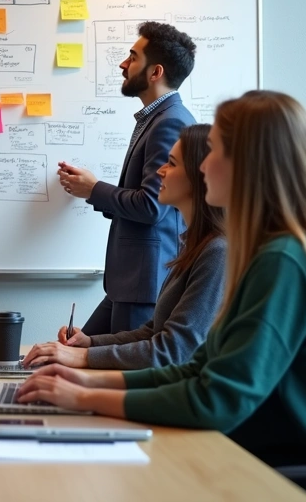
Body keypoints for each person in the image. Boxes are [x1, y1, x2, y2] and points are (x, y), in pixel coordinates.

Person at [17, 91, 306, 502]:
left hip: (299, 481)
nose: (204, 165)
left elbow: (215, 400)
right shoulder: (276, 253)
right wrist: (83, 382)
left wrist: (85, 397)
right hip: (264, 456)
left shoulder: (286, 261)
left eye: (214, 151)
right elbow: (196, 368)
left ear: (249, 167)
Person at [23, 124, 225, 370]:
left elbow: (173, 351)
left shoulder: (217, 253)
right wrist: (89, 343)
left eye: (171, 163)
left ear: (199, 174)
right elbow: (153, 332)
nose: (160, 171)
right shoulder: (192, 245)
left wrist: (81, 357)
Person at [58, 22, 197, 336]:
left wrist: (93, 189)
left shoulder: (169, 123)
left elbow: (152, 205)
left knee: (117, 377)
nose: (123, 64)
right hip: (131, 283)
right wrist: (91, 189)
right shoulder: (158, 118)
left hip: (144, 285)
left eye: (132, 57)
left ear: (154, 72)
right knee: (74, 350)